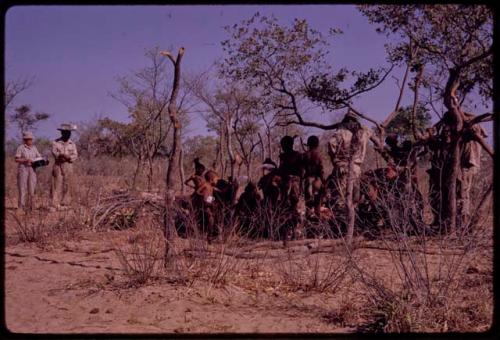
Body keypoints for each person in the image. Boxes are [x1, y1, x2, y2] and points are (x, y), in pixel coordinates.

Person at [326, 111, 372, 211]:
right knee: (355, 198)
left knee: (339, 196)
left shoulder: (340, 132)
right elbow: (369, 131)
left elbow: (330, 144)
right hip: (356, 168)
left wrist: (334, 158)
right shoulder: (363, 133)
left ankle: (340, 220)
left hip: (342, 167)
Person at [50, 123, 78, 211]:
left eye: (69, 132)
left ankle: (65, 203)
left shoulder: (72, 144)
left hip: (68, 165)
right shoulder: (55, 142)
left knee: (68, 184)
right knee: (56, 184)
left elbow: (75, 155)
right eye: (66, 132)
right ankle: (54, 204)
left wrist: (69, 157)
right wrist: (61, 155)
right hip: (58, 165)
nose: (68, 134)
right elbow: (54, 153)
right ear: (62, 133)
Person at [15, 131, 42, 210]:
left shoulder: (34, 148)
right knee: (22, 187)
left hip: (32, 169)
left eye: (31, 139)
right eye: (28, 139)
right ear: (25, 140)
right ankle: (21, 206)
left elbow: (39, 157)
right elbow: (16, 159)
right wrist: (25, 160)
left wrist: (40, 161)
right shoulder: (21, 148)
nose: (30, 141)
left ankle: (32, 206)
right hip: (23, 169)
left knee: (32, 188)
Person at [302, 135, 325, 218]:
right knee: (317, 203)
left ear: (308, 144)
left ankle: (308, 221)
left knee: (308, 203)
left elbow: (302, 170)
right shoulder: (319, 155)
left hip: (307, 180)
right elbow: (321, 170)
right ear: (317, 144)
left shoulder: (304, 155)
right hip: (317, 181)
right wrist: (324, 182)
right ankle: (317, 221)